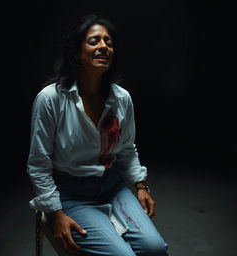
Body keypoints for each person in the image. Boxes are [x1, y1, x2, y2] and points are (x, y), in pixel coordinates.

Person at [26, 13, 169, 256]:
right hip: (71, 196)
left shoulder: (122, 99)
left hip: (113, 188)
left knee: (155, 250)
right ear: (76, 52)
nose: (103, 46)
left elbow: (126, 150)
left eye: (109, 42)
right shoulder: (51, 99)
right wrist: (55, 213)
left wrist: (140, 185)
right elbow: (39, 164)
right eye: (94, 41)